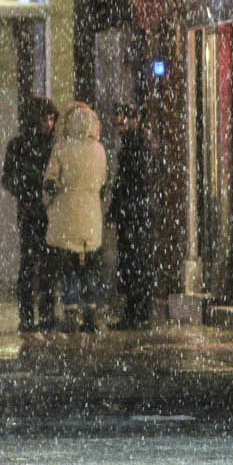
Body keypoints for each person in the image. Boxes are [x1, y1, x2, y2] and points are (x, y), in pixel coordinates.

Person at [44, 102, 110, 333]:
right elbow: (102, 181)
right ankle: (91, 311)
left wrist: (48, 203)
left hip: (66, 216)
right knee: (90, 266)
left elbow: (50, 182)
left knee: (69, 267)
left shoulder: (62, 148)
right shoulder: (99, 150)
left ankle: (71, 311)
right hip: (91, 216)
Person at [1, 98, 60, 333]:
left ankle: (43, 314)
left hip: (44, 211)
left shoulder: (53, 146)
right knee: (31, 264)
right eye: (44, 119)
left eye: (51, 119)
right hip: (31, 211)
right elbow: (8, 178)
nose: (48, 124)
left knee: (45, 266)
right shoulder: (20, 146)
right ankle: (29, 315)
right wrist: (27, 187)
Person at [109, 106, 158, 329]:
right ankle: (136, 312)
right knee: (134, 263)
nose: (119, 129)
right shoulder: (137, 144)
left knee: (134, 263)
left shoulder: (137, 146)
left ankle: (137, 313)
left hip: (134, 213)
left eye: (122, 124)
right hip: (135, 212)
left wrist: (121, 204)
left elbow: (131, 181)